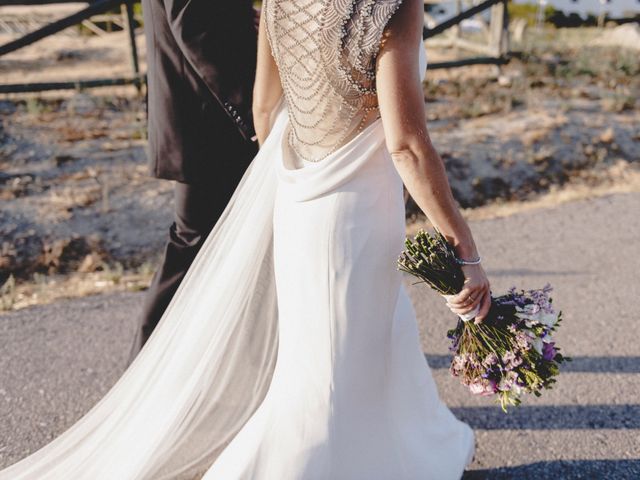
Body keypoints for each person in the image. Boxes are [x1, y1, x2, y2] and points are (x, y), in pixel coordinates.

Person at [0, 0, 491, 478]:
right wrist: (464, 250)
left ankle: (390, 456)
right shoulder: (392, 6)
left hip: (300, 203)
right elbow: (405, 146)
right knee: (329, 383)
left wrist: (296, 179)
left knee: (341, 354)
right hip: (358, 214)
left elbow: (263, 106)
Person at [132, 0, 259, 353]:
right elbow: (197, 32)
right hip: (207, 124)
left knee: (232, 243)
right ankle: (143, 365)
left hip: (209, 121)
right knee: (193, 244)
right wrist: (254, 114)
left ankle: (242, 356)